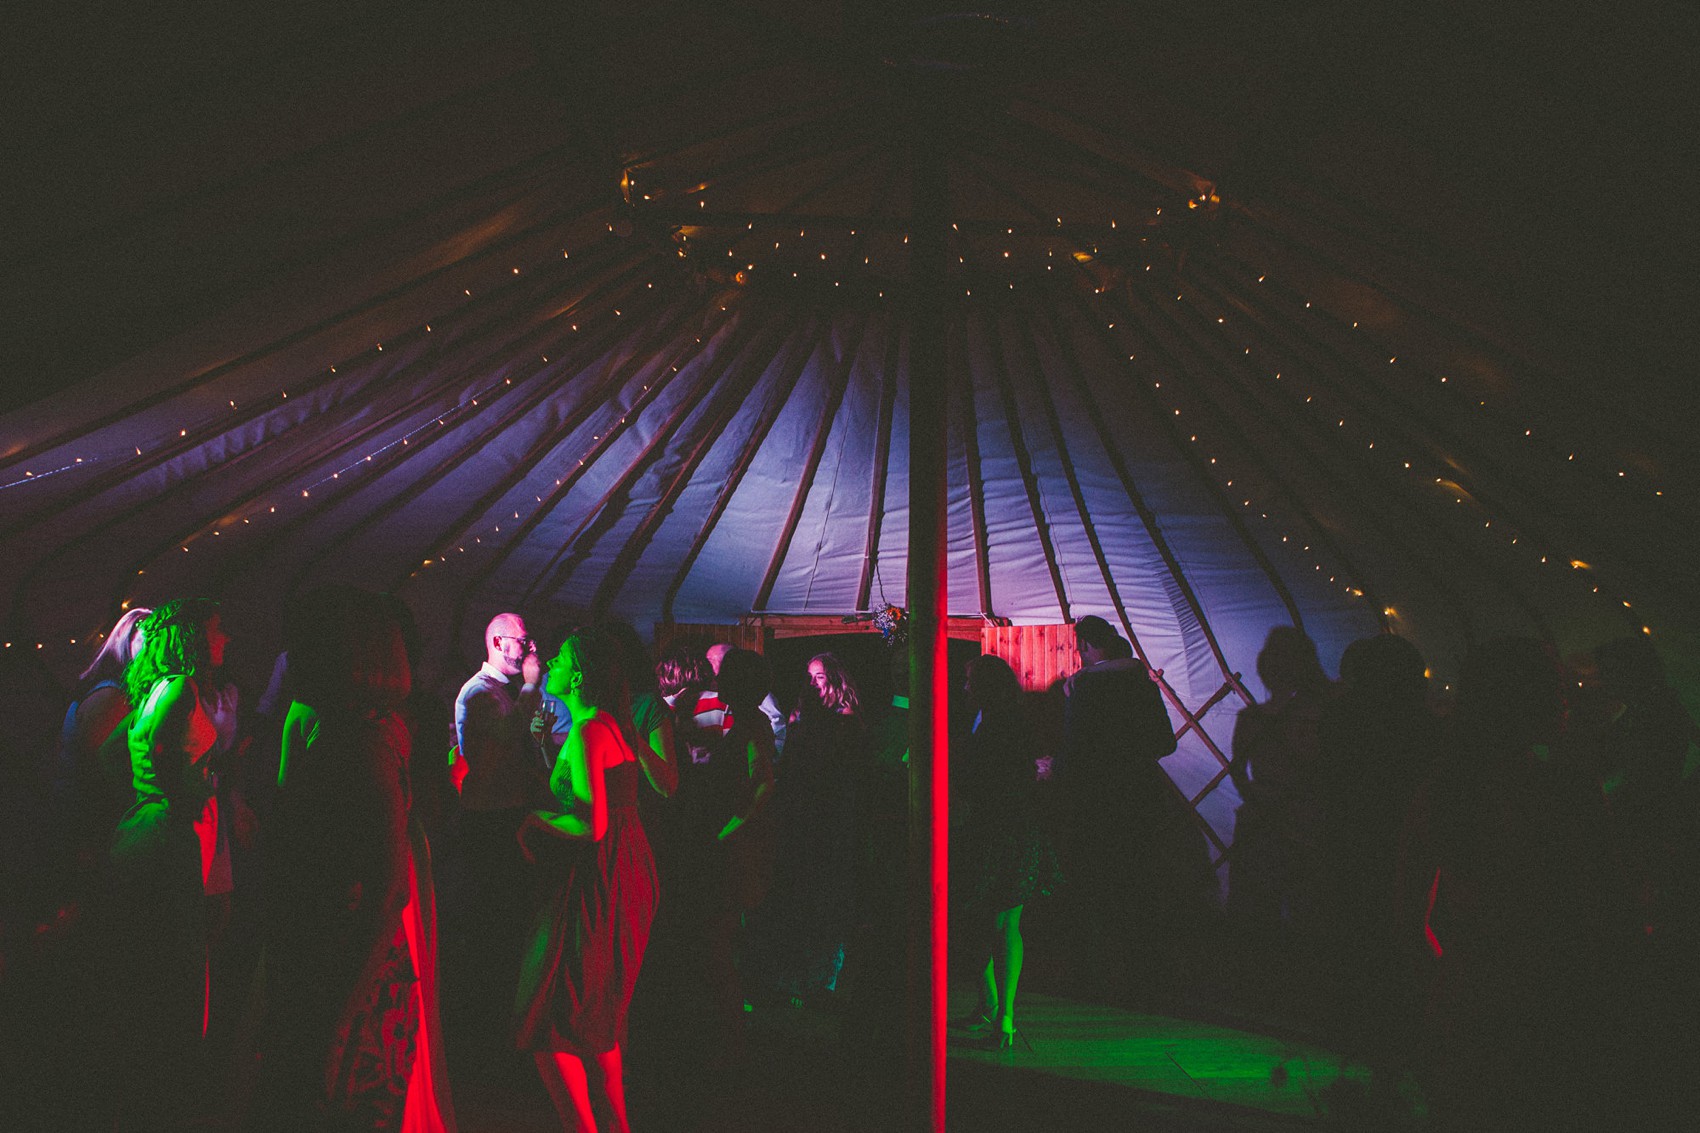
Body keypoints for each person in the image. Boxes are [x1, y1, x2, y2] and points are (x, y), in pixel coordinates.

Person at [259, 586, 453, 1132]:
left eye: (307, 642)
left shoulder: (361, 746)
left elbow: (389, 889)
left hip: (344, 966)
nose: (292, 655)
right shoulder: (350, 731)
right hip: (332, 955)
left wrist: (342, 1013)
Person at [516, 629, 659, 1133]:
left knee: (555, 1020)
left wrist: (534, 821)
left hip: (599, 878)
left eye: (560, 657)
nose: (549, 660)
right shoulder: (606, 725)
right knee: (598, 1017)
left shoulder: (589, 731)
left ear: (577, 675)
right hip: (623, 871)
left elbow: (591, 824)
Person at [106, 598, 231, 1130]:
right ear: (195, 636)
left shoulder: (155, 687)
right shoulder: (180, 687)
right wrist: (204, 785)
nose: (226, 639)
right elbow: (168, 759)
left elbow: (140, 754)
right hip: (170, 838)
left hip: (145, 832)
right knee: (179, 977)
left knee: (153, 974)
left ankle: (148, 1096)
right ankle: (170, 1101)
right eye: (219, 629)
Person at [1056, 616, 1198, 1006]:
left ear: (1084, 645)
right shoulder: (1139, 683)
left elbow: (1074, 752)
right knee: (1138, 887)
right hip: (1138, 801)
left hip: (1096, 805)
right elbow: (1166, 744)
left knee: (1093, 890)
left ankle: (1094, 978)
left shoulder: (1083, 688)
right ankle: (1143, 978)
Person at [449, 611, 550, 1077]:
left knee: (505, 927)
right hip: (488, 822)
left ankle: (495, 1032)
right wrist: (530, 687)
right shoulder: (479, 692)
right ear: (497, 641)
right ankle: (483, 1041)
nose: (530, 650)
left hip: (501, 816)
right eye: (523, 641)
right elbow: (495, 753)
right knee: (493, 927)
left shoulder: (496, 693)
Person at [951, 655, 1060, 1051]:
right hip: (997, 829)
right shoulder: (987, 719)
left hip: (1005, 831)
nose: (964, 689)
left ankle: (1004, 1016)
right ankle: (993, 1008)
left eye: (969, 682)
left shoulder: (1004, 725)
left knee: (1000, 923)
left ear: (985, 687)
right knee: (986, 922)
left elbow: (1001, 776)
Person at [749, 652, 862, 1004]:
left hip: (830, 817)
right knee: (800, 895)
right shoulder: (802, 714)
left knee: (826, 897)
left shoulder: (845, 720)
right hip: (801, 815)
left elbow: (842, 773)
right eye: (809, 676)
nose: (812, 683)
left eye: (819, 677)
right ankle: (797, 976)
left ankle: (824, 979)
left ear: (836, 681)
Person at [55, 606, 150, 884]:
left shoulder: (112, 692)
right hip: (86, 827)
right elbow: (98, 774)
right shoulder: (111, 696)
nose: (154, 648)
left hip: (86, 823)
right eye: (148, 638)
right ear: (127, 639)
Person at [706, 641, 786, 753]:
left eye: (710, 661)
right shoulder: (745, 724)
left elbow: (777, 728)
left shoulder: (752, 728)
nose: (718, 678)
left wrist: (773, 756)